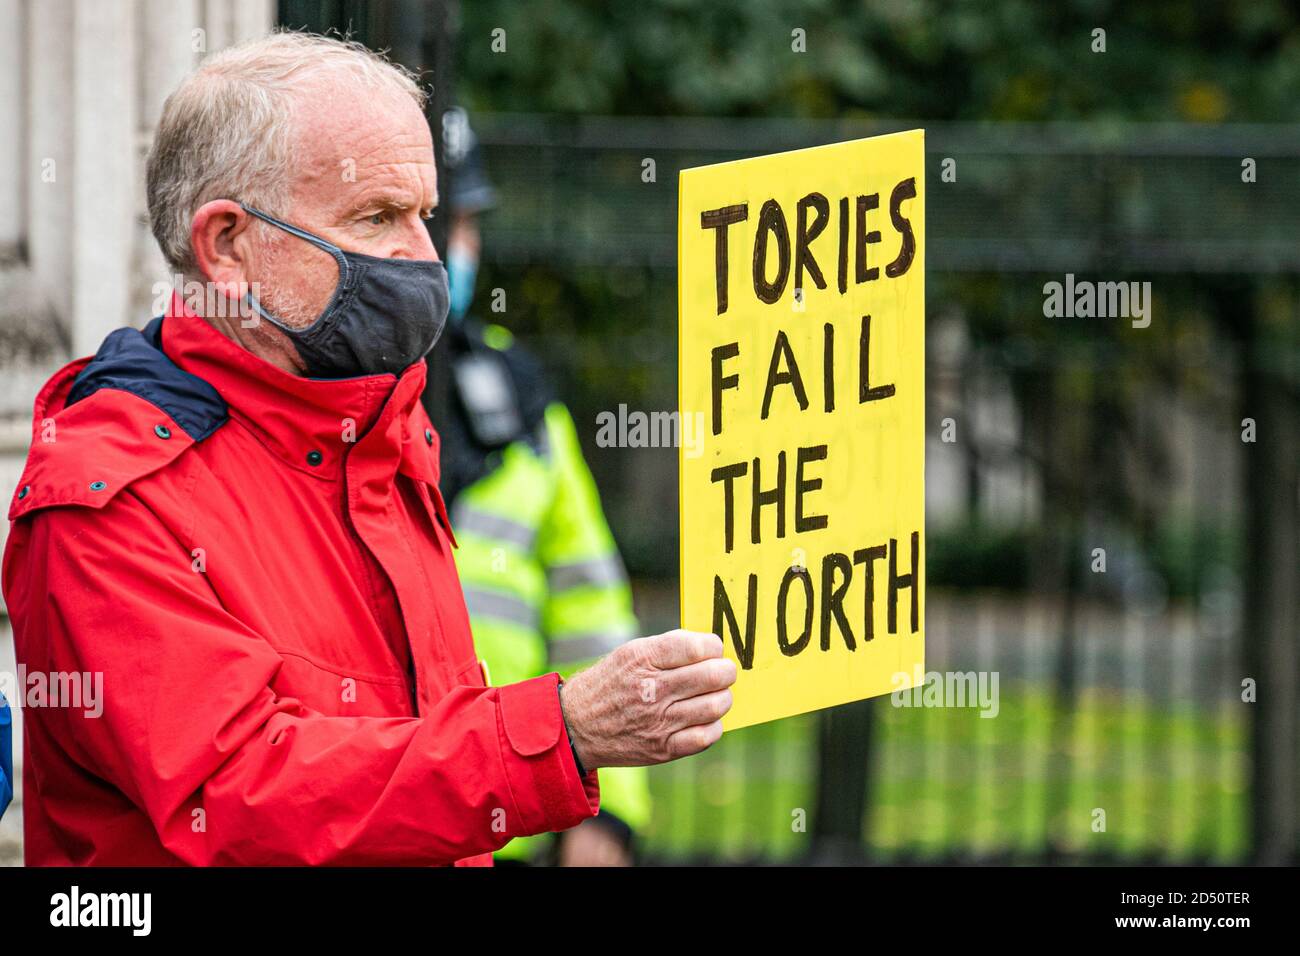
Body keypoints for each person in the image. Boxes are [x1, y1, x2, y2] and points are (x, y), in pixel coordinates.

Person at [1, 31, 734, 866]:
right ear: (228, 247)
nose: (422, 259)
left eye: (425, 216)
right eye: (376, 216)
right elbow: (244, 801)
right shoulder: (112, 496)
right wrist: (554, 735)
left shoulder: (379, 427)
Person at [430, 110, 649, 865]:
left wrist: (607, 815)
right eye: (438, 222)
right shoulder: (326, 393)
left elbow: (590, 606)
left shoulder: (517, 396)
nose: (460, 247)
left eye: (467, 223)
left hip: (514, 823)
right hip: (380, 818)